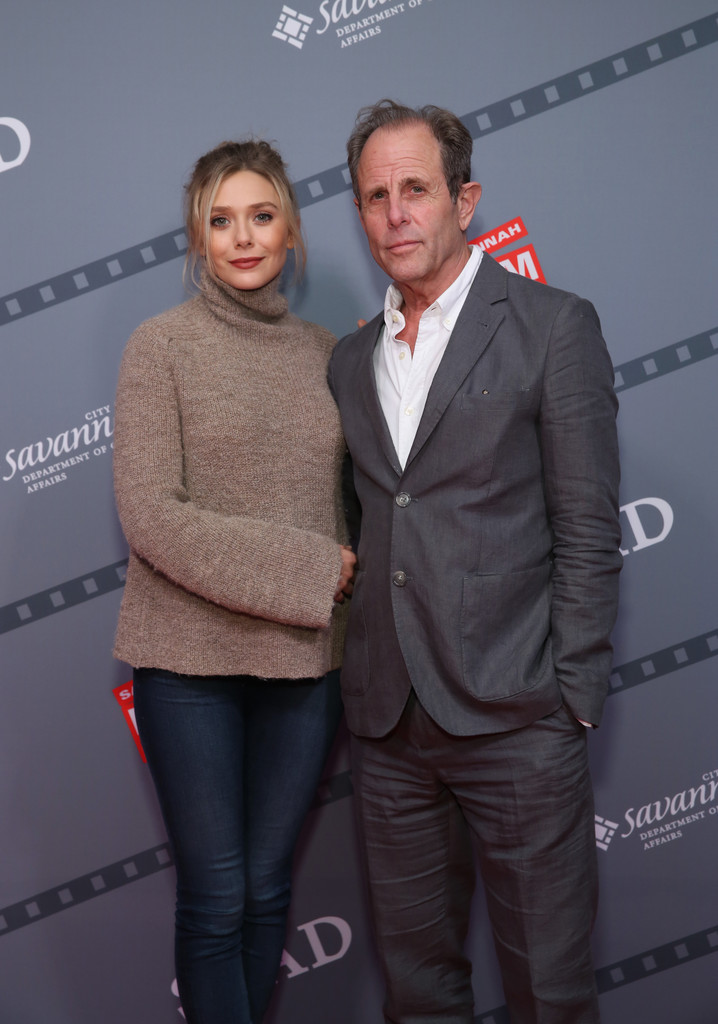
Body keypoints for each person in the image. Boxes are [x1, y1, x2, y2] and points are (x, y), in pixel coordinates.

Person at [328, 99, 622, 1024]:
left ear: (465, 199)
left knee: (550, 994)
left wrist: (571, 694)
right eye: (375, 196)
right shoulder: (349, 360)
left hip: (519, 722)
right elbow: (369, 522)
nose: (395, 215)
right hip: (390, 733)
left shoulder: (553, 325)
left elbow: (587, 526)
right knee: (418, 994)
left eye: (415, 190)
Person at [112, 138, 355, 1024]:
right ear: (198, 236)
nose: (243, 237)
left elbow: (356, 504)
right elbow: (152, 517)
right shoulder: (160, 348)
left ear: (290, 231)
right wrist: (309, 568)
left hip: (304, 666)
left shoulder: (330, 354)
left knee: (264, 892)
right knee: (216, 899)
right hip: (188, 668)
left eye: (261, 216)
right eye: (221, 221)